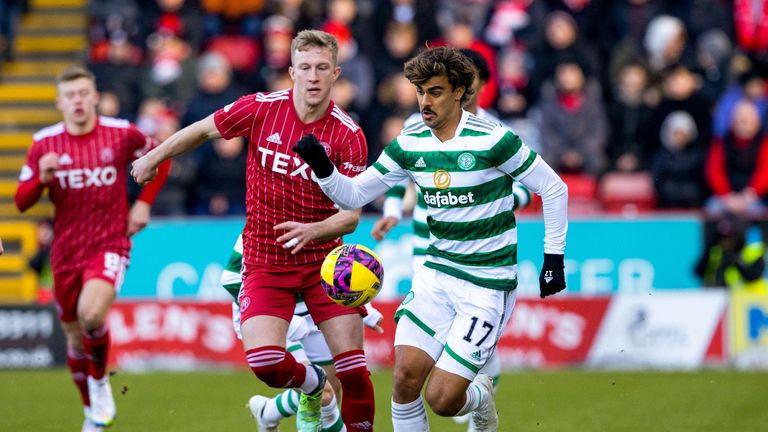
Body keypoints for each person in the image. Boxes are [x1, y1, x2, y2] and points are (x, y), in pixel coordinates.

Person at [294, 46, 568, 432]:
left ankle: (481, 397)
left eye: (435, 91)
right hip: (436, 275)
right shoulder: (411, 141)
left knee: (442, 399)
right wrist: (323, 168)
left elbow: (554, 189)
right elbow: (354, 194)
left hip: (487, 284)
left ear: (459, 92)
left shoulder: (493, 139)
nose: (425, 100)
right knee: (404, 380)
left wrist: (553, 259)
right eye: (420, 91)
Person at [131, 30, 376, 432]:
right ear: (291, 72)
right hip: (266, 261)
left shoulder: (348, 134)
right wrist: (154, 156)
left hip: (324, 265)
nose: (313, 77)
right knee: (264, 362)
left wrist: (313, 231)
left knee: (353, 373)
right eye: (304, 68)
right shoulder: (261, 109)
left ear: (335, 73)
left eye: (321, 69)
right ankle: (312, 387)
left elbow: (352, 216)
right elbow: (202, 129)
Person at [370, 48, 532, 431]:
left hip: (480, 255)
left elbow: (526, 190)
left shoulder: (493, 132)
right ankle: (465, 396)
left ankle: (478, 400)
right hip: (427, 250)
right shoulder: (418, 121)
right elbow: (397, 173)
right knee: (410, 368)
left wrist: (488, 198)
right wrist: (393, 211)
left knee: (472, 351)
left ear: (477, 85)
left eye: (471, 78)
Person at [14, 65, 171, 431]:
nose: (78, 101)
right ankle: (92, 414)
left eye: (84, 93)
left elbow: (162, 156)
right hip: (66, 251)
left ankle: (100, 383)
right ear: (59, 102)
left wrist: (143, 202)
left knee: (91, 316)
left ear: (95, 97)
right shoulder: (44, 144)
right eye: (70, 96)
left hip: (109, 242)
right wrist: (42, 179)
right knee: (73, 337)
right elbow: (21, 201)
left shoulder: (121, 134)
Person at [220, 233, 384, 432]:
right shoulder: (264, 225)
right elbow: (230, 278)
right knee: (324, 395)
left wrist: (363, 308)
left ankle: (267, 412)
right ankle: (268, 413)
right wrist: (288, 321)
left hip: (312, 309)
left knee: (332, 388)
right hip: (270, 315)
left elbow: (339, 268)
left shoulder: (322, 220)